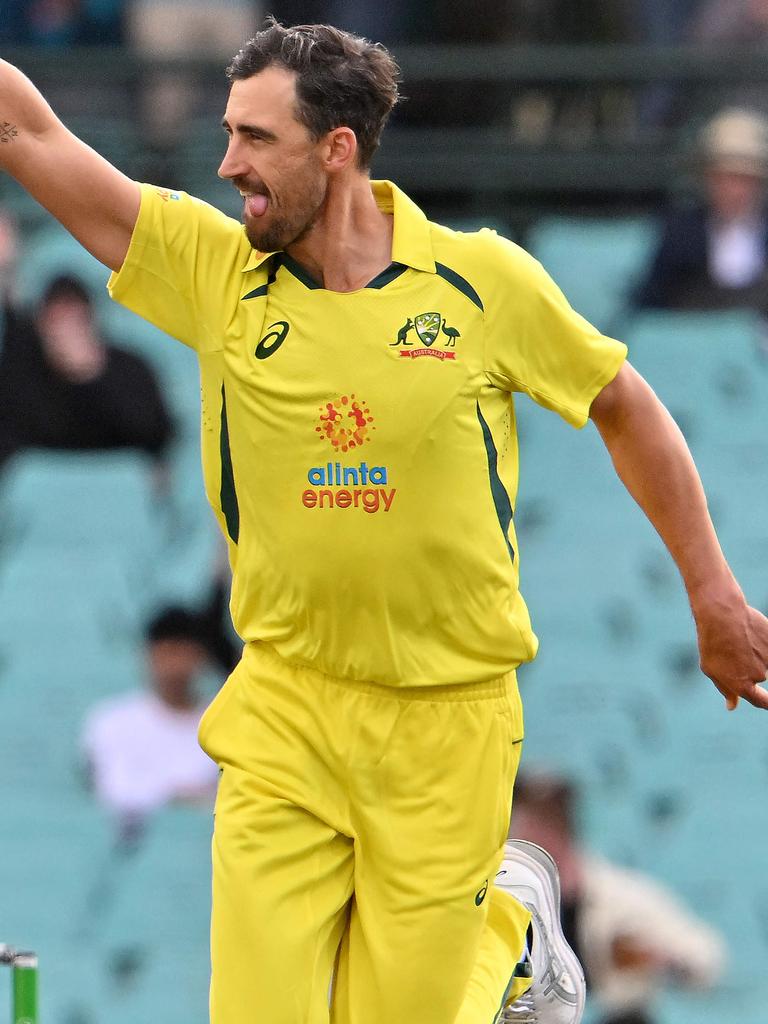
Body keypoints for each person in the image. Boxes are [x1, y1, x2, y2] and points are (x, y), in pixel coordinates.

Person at [2, 19, 768, 1024]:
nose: (228, 162)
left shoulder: (481, 282)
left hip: (445, 722)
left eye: (256, 139)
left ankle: (511, 931)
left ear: (339, 148)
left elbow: (625, 405)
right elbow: (28, 136)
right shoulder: (217, 271)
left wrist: (713, 593)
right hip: (285, 705)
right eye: (228, 132)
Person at [509, 773, 725, 1024]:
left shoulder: (622, 897)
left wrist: (653, 955)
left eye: (549, 819)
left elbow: (706, 958)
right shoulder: (500, 894)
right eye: (530, 819)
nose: (537, 831)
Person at [0, 274, 173, 467]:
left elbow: (154, 436)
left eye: (76, 319)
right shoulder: (22, 373)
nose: (66, 331)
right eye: (57, 320)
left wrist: (90, 376)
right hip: (43, 484)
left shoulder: (130, 369)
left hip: (118, 483)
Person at [81, 606, 220, 828]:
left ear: (201, 655)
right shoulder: (110, 721)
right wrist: (178, 797)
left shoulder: (222, 721)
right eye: (166, 652)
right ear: (148, 654)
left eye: (183, 652)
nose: (174, 666)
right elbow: (111, 792)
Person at [635, 108, 768, 311]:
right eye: (724, 179)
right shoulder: (680, 231)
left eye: (745, 179)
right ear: (707, 179)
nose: (734, 191)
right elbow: (651, 301)